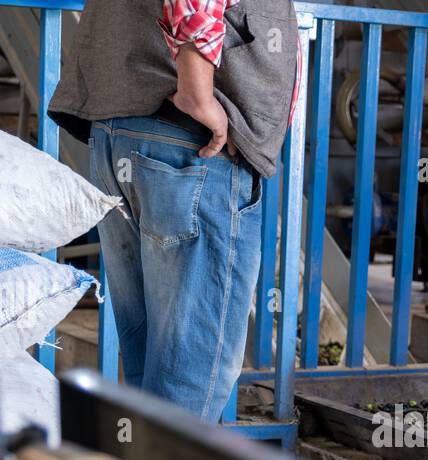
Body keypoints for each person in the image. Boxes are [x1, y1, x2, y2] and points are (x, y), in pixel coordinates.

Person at [49, 0, 299, 423]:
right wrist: (197, 88)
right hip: (188, 142)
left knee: (154, 369)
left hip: (125, 131)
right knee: (190, 381)